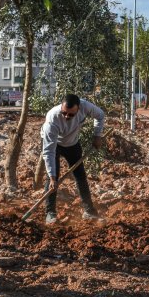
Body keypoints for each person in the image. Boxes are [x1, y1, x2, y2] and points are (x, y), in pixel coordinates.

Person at [41, 94, 106, 224]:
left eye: (71, 115)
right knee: (53, 178)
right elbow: (48, 151)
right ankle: (50, 213)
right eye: (64, 113)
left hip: (72, 143)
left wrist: (97, 135)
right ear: (61, 107)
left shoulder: (85, 106)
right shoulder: (52, 119)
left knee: (80, 176)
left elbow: (100, 115)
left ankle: (89, 211)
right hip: (54, 144)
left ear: (78, 109)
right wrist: (53, 177)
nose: (66, 117)